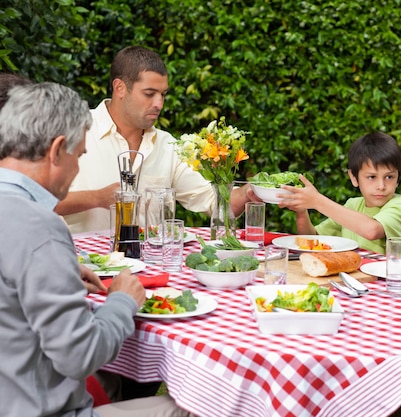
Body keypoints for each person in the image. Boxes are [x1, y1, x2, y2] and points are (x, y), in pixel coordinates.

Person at [0, 82, 194, 416]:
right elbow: (79, 356)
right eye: (79, 156)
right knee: (200, 406)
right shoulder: (40, 228)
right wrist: (122, 300)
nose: (77, 169)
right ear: (57, 149)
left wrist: (62, 270)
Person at [56, 45, 257, 233]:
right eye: (149, 94)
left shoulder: (167, 146)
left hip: (151, 266)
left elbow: (213, 202)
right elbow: (32, 199)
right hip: (84, 264)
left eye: (163, 94)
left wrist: (249, 192)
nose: (159, 104)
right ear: (120, 88)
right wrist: (97, 198)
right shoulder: (73, 130)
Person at [279, 131, 401, 254]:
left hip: (393, 280)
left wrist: (317, 201)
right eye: (372, 177)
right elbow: (312, 238)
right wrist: (301, 212)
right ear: (354, 178)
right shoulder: (353, 205)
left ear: (398, 178)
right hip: (354, 276)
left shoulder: (399, 207)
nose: (381, 186)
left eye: (389, 177)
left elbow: (372, 230)